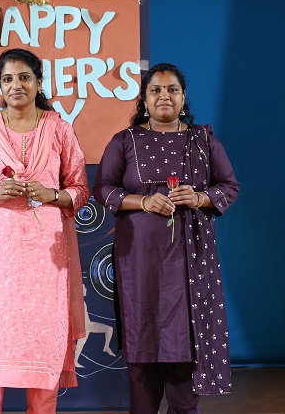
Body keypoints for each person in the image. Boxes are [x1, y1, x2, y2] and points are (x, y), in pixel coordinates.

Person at [92, 63, 240, 414]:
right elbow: (103, 188)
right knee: (142, 341)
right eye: (155, 90)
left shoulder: (203, 140)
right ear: (144, 99)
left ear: (183, 97)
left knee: (185, 342)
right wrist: (143, 201)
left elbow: (230, 186)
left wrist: (199, 197)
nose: (164, 96)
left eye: (172, 89)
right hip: (139, 261)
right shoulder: (125, 141)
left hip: (190, 263)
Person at [0, 48, 90, 414]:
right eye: (8, 79)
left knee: (42, 340)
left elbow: (80, 189)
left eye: (24, 77)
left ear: (38, 82)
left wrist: (51, 194)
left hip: (45, 257)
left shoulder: (59, 129)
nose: (17, 85)